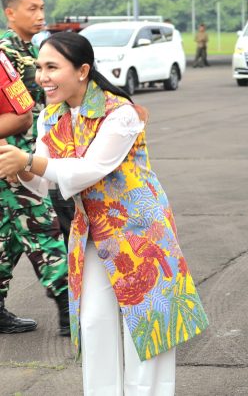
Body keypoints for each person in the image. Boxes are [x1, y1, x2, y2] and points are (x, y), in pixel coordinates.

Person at [0, 31, 209, 394]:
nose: (42, 77)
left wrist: (28, 161)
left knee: (146, 325)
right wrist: (16, 168)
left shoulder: (121, 112)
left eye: (52, 67)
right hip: (92, 232)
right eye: (40, 67)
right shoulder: (51, 115)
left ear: (82, 71)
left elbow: (90, 169)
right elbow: (42, 182)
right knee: (94, 322)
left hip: (140, 232)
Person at [0, 0, 69, 336]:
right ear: (10, 13)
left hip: (29, 154)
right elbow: (12, 112)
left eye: (42, 7)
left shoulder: (32, 49)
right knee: (43, 227)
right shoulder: (5, 52)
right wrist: (10, 158)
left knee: (8, 236)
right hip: (13, 161)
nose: (40, 14)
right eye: (32, 8)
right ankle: (70, 310)